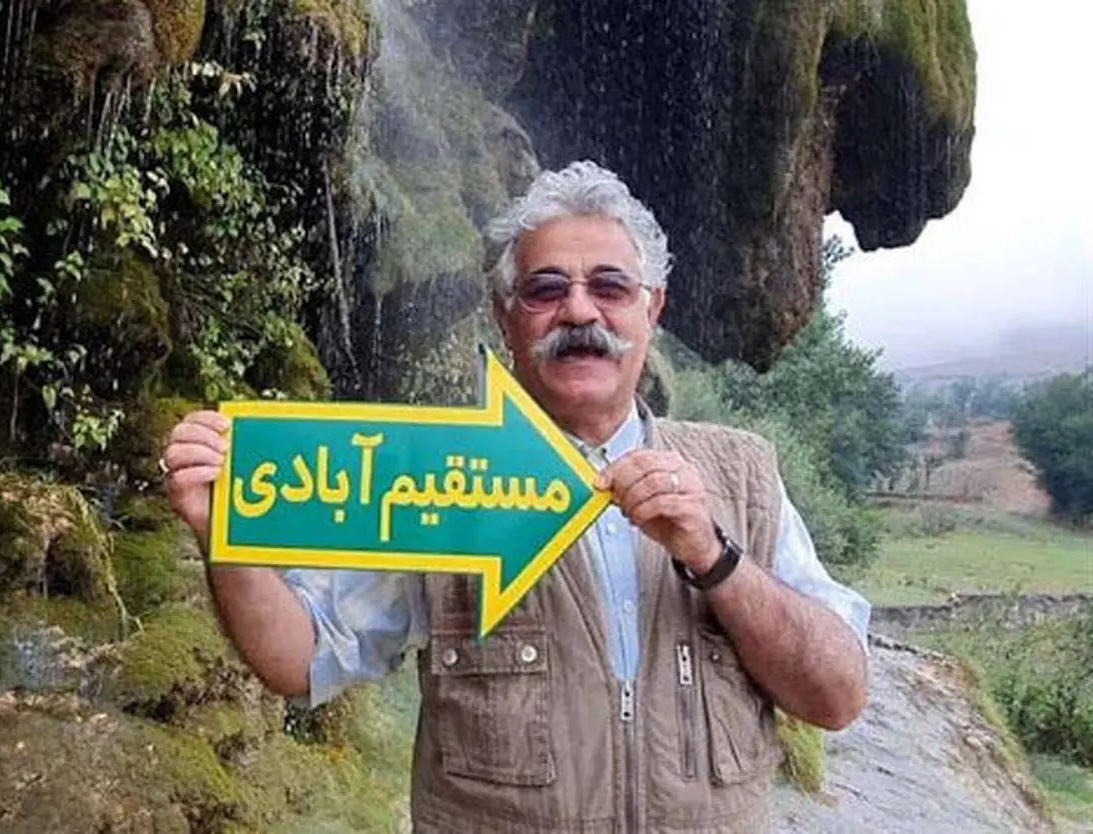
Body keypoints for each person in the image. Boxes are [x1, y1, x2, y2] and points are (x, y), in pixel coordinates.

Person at [162, 160, 870, 833]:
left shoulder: (743, 474)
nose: (579, 310)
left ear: (652, 307)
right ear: (506, 316)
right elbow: (300, 658)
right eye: (545, 289)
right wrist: (226, 531)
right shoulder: (435, 476)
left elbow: (837, 696)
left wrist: (715, 558)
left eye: (611, 287)